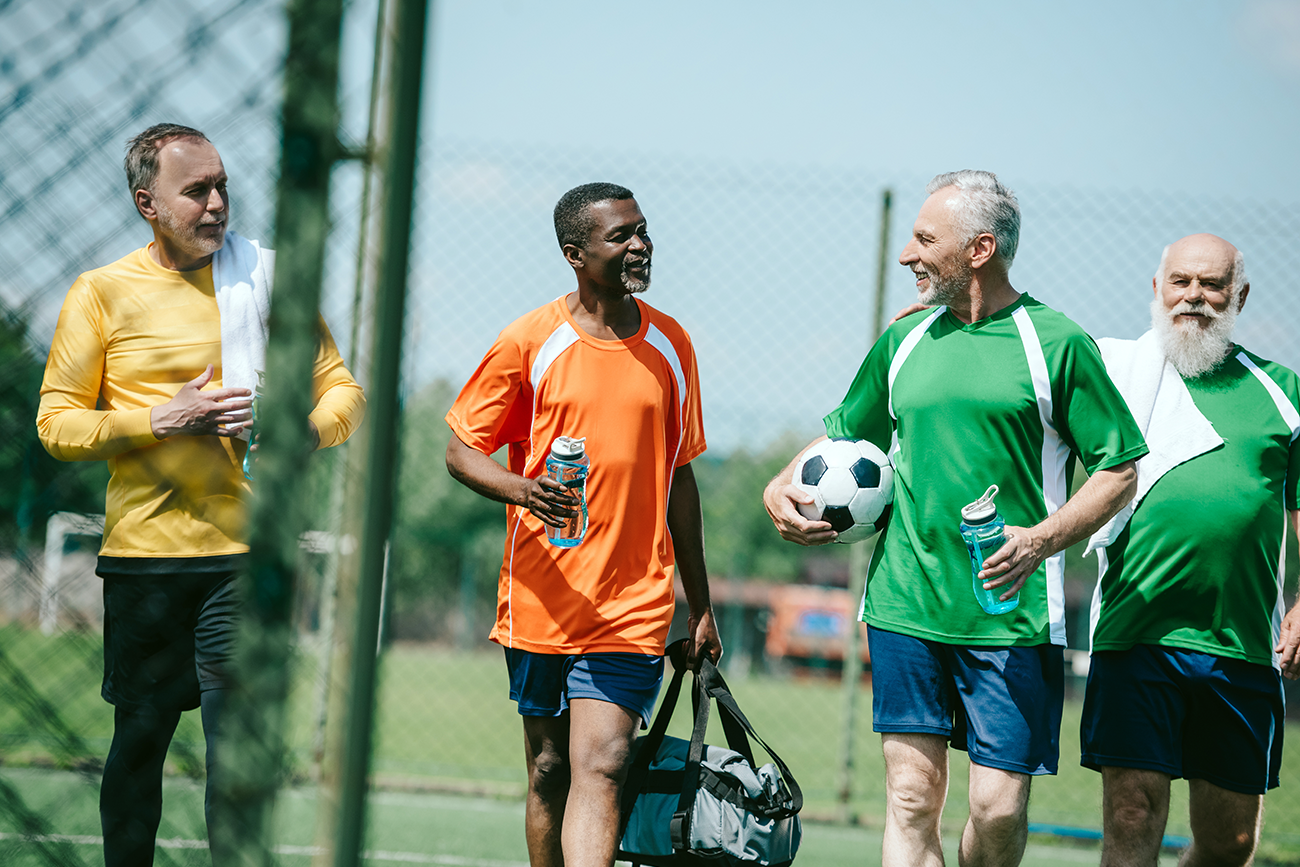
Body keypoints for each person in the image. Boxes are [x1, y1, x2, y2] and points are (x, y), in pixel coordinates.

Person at [764, 170, 1147, 867]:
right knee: (911, 797)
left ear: (979, 248)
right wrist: (778, 482)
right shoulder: (903, 341)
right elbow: (844, 438)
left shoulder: (1055, 342)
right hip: (906, 602)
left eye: (923, 239)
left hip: (1012, 614)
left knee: (996, 811)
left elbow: (1119, 468)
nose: (909, 254)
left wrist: (1040, 540)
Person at [36, 123, 365, 865]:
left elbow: (343, 391)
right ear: (147, 201)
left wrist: (302, 432)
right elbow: (56, 422)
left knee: (236, 755)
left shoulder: (267, 278)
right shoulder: (101, 292)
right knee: (140, 743)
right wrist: (161, 416)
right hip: (145, 562)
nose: (218, 204)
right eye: (197, 191)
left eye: (223, 186)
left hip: (246, 559)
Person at [444, 182, 722, 867]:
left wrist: (703, 604)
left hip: (633, 602)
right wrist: (524, 491)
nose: (639, 245)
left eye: (642, 230)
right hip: (543, 597)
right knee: (549, 768)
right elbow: (460, 451)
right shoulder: (529, 340)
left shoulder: (672, 344)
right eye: (620, 236)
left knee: (604, 762)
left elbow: (679, 480)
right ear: (575, 253)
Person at [1081, 233, 1300, 867]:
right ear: (1157, 288)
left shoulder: (1284, 393)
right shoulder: (1110, 371)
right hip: (1133, 635)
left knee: (1230, 843)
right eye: (1180, 282)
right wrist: (950, 321)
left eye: (1211, 285)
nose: (1194, 297)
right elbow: (1023, 360)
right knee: (1131, 814)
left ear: (1240, 295)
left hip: (1239, 649)